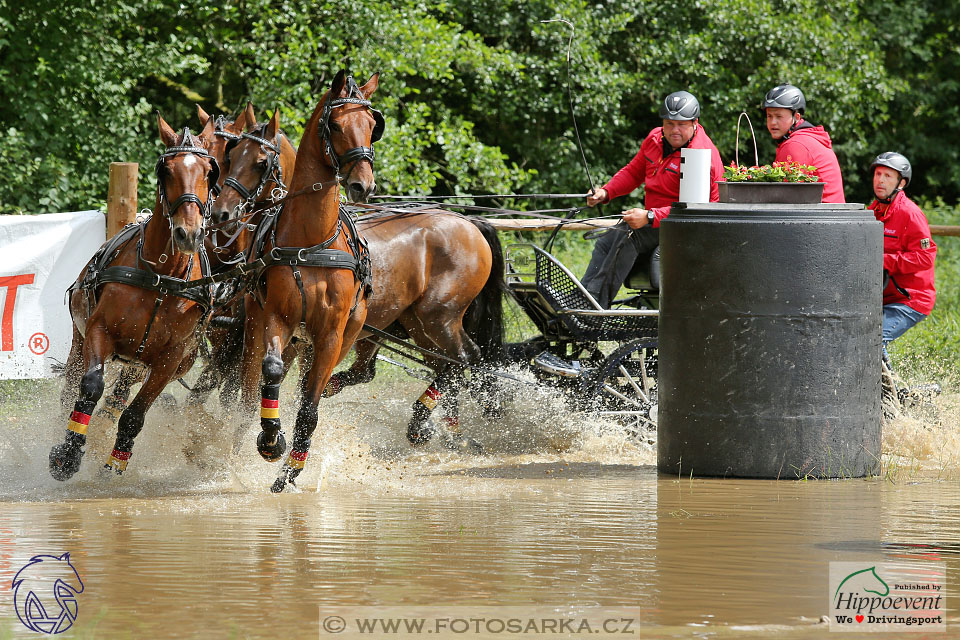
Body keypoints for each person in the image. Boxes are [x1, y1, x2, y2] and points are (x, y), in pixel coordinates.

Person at [581, 90, 723, 308]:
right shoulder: (655, 139)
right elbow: (633, 172)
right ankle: (582, 298)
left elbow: (696, 209)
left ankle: (593, 307)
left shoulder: (702, 155)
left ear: (695, 123)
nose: (674, 130)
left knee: (629, 236)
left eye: (681, 125)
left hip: (685, 226)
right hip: (657, 221)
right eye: (669, 123)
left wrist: (649, 215)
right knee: (605, 242)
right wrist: (606, 192)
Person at [868, 152, 936, 350]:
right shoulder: (872, 211)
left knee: (873, 342)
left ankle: (886, 382)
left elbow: (925, 258)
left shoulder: (910, 214)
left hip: (910, 299)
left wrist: (883, 261)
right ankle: (888, 382)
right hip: (883, 297)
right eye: (877, 174)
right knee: (861, 341)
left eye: (887, 176)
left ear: (901, 183)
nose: (880, 180)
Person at [762, 83, 845, 203]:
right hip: (830, 217)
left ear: (796, 116)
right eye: (769, 116)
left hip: (821, 218)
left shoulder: (796, 145)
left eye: (779, 116)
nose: (773, 122)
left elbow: (783, 197)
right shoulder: (808, 139)